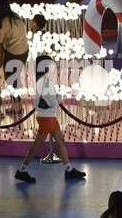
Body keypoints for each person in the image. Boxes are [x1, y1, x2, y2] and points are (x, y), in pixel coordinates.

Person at [15, 55, 86, 183]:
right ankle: (22, 170)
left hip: (48, 117)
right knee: (36, 146)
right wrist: (59, 97)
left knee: (60, 142)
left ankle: (69, 169)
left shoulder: (42, 81)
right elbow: (54, 100)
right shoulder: (45, 82)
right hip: (46, 118)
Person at [0, 0, 29, 114]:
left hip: (13, 53)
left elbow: (0, 43)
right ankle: (18, 105)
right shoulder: (16, 17)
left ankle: (16, 107)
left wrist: (0, 59)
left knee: (11, 80)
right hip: (24, 51)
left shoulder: (2, 22)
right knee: (16, 79)